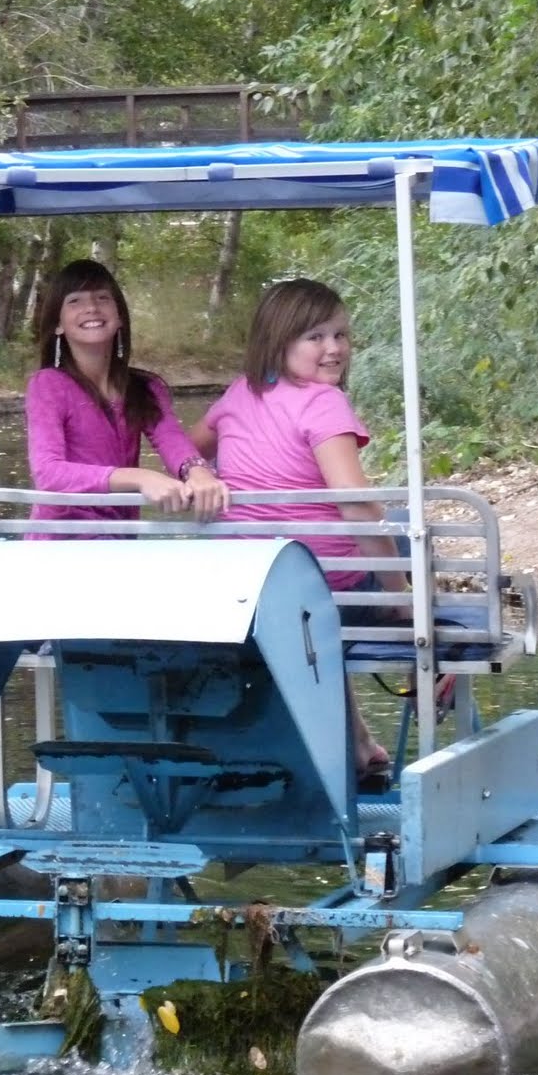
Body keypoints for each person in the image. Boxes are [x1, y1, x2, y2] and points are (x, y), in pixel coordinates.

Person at [190, 277, 401, 780]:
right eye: (316, 337)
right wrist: (399, 590)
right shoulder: (324, 403)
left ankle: (358, 740)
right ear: (279, 340)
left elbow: (189, 443)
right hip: (325, 591)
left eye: (341, 335)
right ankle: (436, 702)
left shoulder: (242, 392)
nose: (334, 349)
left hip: (250, 588)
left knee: (316, 612)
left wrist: (201, 473)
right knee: (415, 582)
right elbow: (355, 506)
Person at [26, 259, 226, 532]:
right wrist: (139, 478)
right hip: (61, 546)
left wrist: (199, 472)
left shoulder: (145, 387)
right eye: (75, 301)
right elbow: (48, 473)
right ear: (57, 324)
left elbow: (172, 440)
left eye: (102, 298)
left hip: (121, 543)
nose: (91, 308)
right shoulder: (48, 384)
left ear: (119, 317)